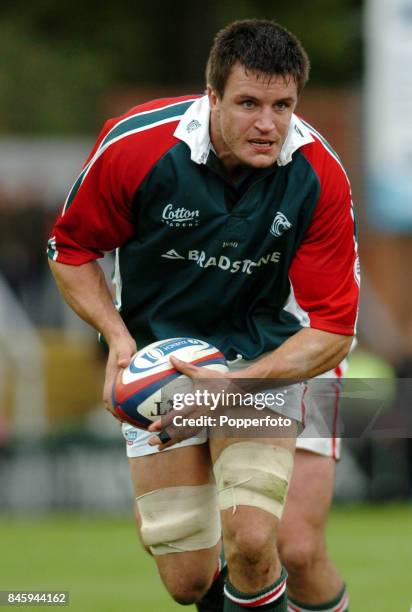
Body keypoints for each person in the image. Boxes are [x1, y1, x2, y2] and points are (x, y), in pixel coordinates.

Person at [48, 19, 358, 612]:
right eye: (247, 103)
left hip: (270, 360)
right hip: (164, 362)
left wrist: (233, 387)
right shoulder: (135, 147)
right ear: (210, 96)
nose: (267, 124)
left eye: (282, 105)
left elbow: (333, 331)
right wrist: (116, 338)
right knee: (187, 579)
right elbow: (72, 249)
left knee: (270, 540)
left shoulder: (319, 176)